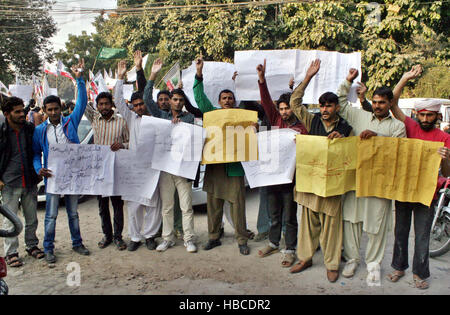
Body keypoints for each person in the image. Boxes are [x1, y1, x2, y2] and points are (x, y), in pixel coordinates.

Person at [337, 68, 406, 284]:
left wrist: (378, 137)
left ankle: (374, 264)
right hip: (356, 178)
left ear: (390, 103)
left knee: (376, 224)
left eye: (382, 102)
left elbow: (399, 152)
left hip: (380, 183)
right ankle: (352, 259)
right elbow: (340, 103)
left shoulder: (398, 126)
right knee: (351, 219)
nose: (377, 106)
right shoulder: (360, 116)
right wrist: (347, 81)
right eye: (375, 102)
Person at [288, 60, 353, 283]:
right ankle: (305, 258)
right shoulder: (312, 120)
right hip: (309, 182)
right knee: (307, 223)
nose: (325, 110)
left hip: (332, 186)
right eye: (322, 105)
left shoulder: (345, 127)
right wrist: (308, 77)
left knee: (332, 227)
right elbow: (294, 103)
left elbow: (352, 155)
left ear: (336, 107)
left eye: (329, 106)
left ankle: (332, 264)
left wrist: (343, 140)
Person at [386, 65, 450, 290]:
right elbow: (392, 103)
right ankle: (398, 267)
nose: (424, 118)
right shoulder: (410, 127)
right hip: (405, 189)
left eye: (429, 114)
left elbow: (447, 173)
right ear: (416, 115)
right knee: (400, 231)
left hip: (427, 193)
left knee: (422, 235)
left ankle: (419, 273)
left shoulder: (444, 137)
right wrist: (404, 78)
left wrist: (445, 158)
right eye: (421, 114)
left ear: (437, 116)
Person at [32, 59, 90, 264]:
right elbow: (35, 154)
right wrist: (40, 169)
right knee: (51, 215)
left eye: (56, 108)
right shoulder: (40, 131)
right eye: (50, 109)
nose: (54, 112)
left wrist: (79, 80)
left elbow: (82, 103)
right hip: (53, 179)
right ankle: (48, 248)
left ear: (60, 108)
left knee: (73, 213)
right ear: (45, 110)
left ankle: (77, 243)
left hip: (72, 176)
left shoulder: (70, 122)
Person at [193, 56, 250, 255]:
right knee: (214, 204)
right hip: (215, 166)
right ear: (219, 102)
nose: (227, 101)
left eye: (230, 98)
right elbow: (199, 97)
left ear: (234, 101)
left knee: (238, 206)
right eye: (224, 98)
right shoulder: (212, 114)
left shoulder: (242, 115)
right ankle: (213, 237)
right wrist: (199, 73)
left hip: (234, 167)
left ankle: (242, 239)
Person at [255, 59, 308, 267]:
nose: (285, 112)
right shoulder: (276, 120)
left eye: (288, 108)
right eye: (282, 108)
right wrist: (261, 79)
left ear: (293, 109)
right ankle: (274, 242)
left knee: (289, 216)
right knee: (274, 214)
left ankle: (290, 249)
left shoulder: (303, 127)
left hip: (291, 178)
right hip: (272, 176)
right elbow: (266, 101)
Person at [143, 58, 197, 253]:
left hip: (183, 169)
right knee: (167, 206)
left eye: (181, 100)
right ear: (171, 101)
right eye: (175, 99)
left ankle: (189, 238)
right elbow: (147, 99)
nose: (178, 102)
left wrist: (183, 128)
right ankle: (167, 238)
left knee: (186, 207)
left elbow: (194, 141)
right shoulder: (161, 116)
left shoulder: (189, 118)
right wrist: (153, 75)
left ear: (184, 103)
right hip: (166, 168)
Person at [116, 59, 162, 252]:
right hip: (134, 169)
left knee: (153, 205)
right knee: (134, 207)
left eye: (141, 103)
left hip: (153, 167)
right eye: (135, 105)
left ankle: (150, 236)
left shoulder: (157, 118)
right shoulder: (131, 119)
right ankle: (135, 237)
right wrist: (120, 77)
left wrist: (152, 74)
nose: (139, 107)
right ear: (132, 107)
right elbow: (118, 103)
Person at [1, 97, 44, 267]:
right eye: (17, 112)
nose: (22, 114)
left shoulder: (28, 128)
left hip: (29, 180)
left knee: (31, 217)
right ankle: (11, 253)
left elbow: (35, 151)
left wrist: (37, 170)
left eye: (22, 111)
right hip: (9, 183)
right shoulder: (2, 130)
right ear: (7, 114)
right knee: (11, 221)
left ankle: (32, 245)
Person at [84, 91, 129, 251]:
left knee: (117, 204)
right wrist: (80, 79)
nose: (103, 107)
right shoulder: (95, 119)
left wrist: (122, 145)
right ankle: (107, 236)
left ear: (112, 104)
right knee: (102, 206)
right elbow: (82, 104)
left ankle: (118, 237)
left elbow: (130, 142)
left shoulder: (121, 122)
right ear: (97, 106)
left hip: (116, 168)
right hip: (99, 170)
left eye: (106, 103)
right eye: (100, 104)